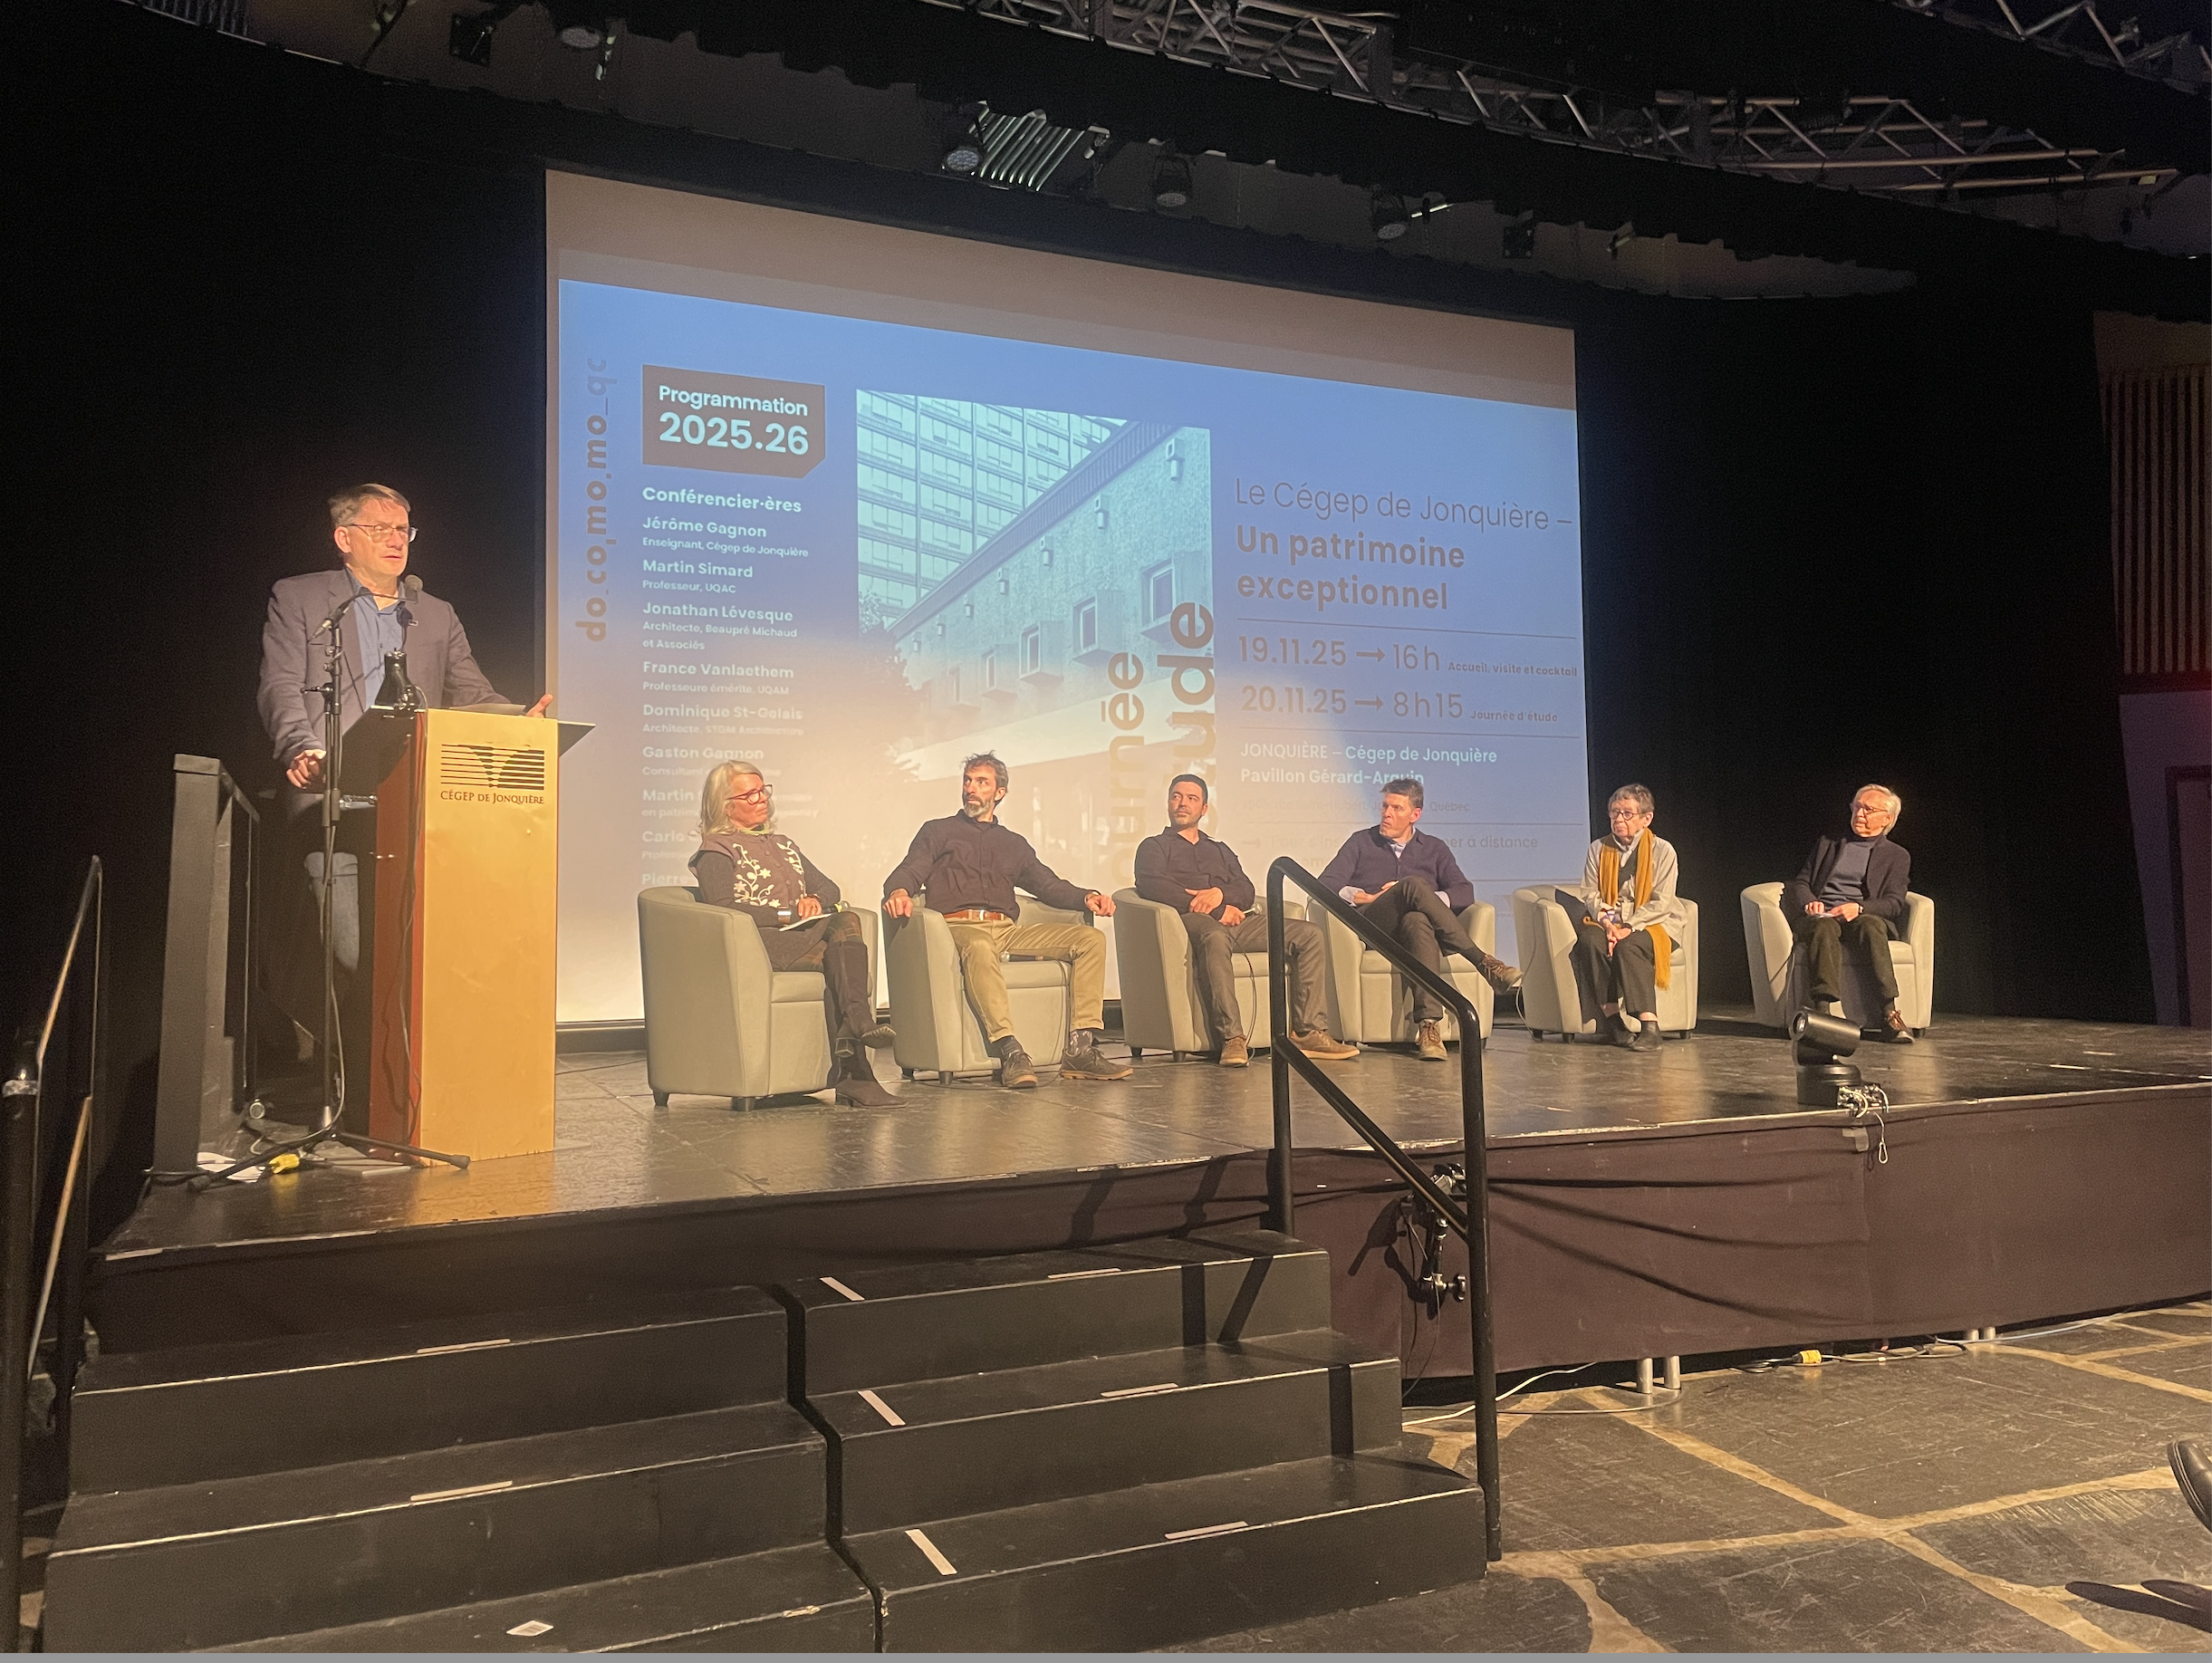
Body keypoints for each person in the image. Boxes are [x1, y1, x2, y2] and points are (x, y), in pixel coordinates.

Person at [255, 484, 548, 1101]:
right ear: (345, 538)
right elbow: (282, 685)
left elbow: (471, 693)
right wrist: (300, 748)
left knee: (415, 955)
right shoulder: (304, 598)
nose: (396, 540)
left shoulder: (433, 612)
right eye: (382, 528)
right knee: (356, 952)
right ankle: (357, 1082)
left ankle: (391, 1095)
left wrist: (515, 722)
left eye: (405, 530)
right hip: (335, 803)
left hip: (416, 807)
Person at [883, 754, 1130, 1088]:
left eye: (981, 782)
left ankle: (1080, 1048)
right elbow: (911, 869)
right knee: (981, 944)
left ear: (999, 793)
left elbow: (1047, 885)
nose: (971, 788)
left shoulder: (1013, 844)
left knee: (1090, 940)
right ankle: (1010, 1049)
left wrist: (1086, 896)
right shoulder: (939, 831)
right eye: (968, 780)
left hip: (1007, 930)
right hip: (956, 928)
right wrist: (899, 890)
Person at [690, 761, 896, 1107]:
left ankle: (855, 1035)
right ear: (726, 805)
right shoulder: (716, 850)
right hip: (761, 944)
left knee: (843, 923)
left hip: (804, 938)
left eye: (763, 790)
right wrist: (787, 913)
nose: (761, 800)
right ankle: (857, 1051)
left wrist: (814, 900)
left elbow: (828, 887)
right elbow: (724, 907)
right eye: (750, 794)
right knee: (842, 929)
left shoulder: (783, 844)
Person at [1132, 774, 1359, 1067]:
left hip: (1237, 920)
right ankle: (1233, 1038)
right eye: (1176, 796)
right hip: (1187, 922)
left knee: (1310, 934)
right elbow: (1153, 886)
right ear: (1167, 803)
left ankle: (1308, 1031)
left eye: (1191, 799)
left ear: (1203, 809)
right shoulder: (1153, 847)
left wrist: (1220, 895)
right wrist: (1214, 910)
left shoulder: (1219, 849)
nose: (1182, 804)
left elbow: (1246, 889)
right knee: (1214, 935)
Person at [1318, 778, 1520, 1062]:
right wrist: (1366, 897)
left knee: (1417, 919)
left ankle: (1428, 1028)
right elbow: (1325, 884)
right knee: (1413, 884)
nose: (1387, 813)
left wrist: (1427, 898)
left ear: (1415, 814)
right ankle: (1484, 962)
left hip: (1415, 933)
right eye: (1385, 806)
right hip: (1375, 926)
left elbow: (1464, 891)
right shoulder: (1361, 842)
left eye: (1397, 808)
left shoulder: (1434, 848)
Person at [1782, 784, 1914, 1043]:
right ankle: (1821, 1014)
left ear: (1887, 818)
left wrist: (1860, 907)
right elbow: (1801, 883)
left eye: (1868, 809)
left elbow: (1894, 902)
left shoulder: (1897, 855)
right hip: (1823, 916)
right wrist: (1810, 902)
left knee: (1872, 927)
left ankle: (1889, 1014)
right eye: (1856, 806)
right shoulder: (1828, 844)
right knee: (1824, 927)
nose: (1859, 813)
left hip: (1861, 915)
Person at [1567, 783, 1688, 1053]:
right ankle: (1613, 1022)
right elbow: (1590, 892)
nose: (1618, 819)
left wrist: (1629, 927)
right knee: (1589, 941)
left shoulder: (1663, 851)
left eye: (1627, 814)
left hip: (1654, 922)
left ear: (1647, 818)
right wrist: (1609, 923)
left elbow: (1663, 902)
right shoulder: (1598, 849)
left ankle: (1649, 1026)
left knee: (1629, 946)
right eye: (1614, 813)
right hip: (1610, 921)